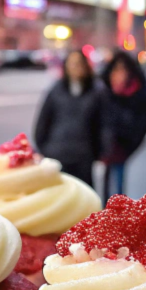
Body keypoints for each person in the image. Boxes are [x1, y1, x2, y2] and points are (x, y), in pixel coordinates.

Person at [34, 49, 103, 189]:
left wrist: (100, 151)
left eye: (79, 64)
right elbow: (43, 121)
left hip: (84, 155)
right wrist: (44, 148)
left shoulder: (96, 91)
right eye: (71, 64)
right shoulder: (56, 90)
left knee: (83, 196)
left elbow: (103, 125)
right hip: (57, 152)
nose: (75, 67)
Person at [100, 52, 146, 199]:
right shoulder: (103, 89)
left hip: (124, 143)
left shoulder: (137, 89)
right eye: (116, 69)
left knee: (117, 183)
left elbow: (145, 117)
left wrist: (132, 137)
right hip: (104, 144)